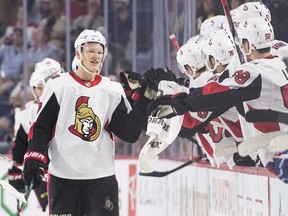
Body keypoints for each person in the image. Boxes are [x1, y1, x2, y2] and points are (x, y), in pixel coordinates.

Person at [22, 29, 169, 215]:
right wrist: (35, 157)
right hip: (63, 177)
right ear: (78, 53)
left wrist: (144, 100)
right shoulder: (59, 85)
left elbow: (129, 133)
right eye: (91, 50)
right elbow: (41, 127)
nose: (96, 56)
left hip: (101, 179)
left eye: (100, 52)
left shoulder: (112, 89)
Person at [146, 17, 288, 168]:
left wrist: (177, 104)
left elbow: (216, 95)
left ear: (246, 44)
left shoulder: (254, 72)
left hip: (280, 153)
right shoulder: (280, 63)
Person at [8, 58, 62, 212]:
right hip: (45, 174)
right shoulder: (28, 112)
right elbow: (20, 145)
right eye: (37, 87)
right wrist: (16, 172)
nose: (40, 92)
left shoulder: (72, 102)